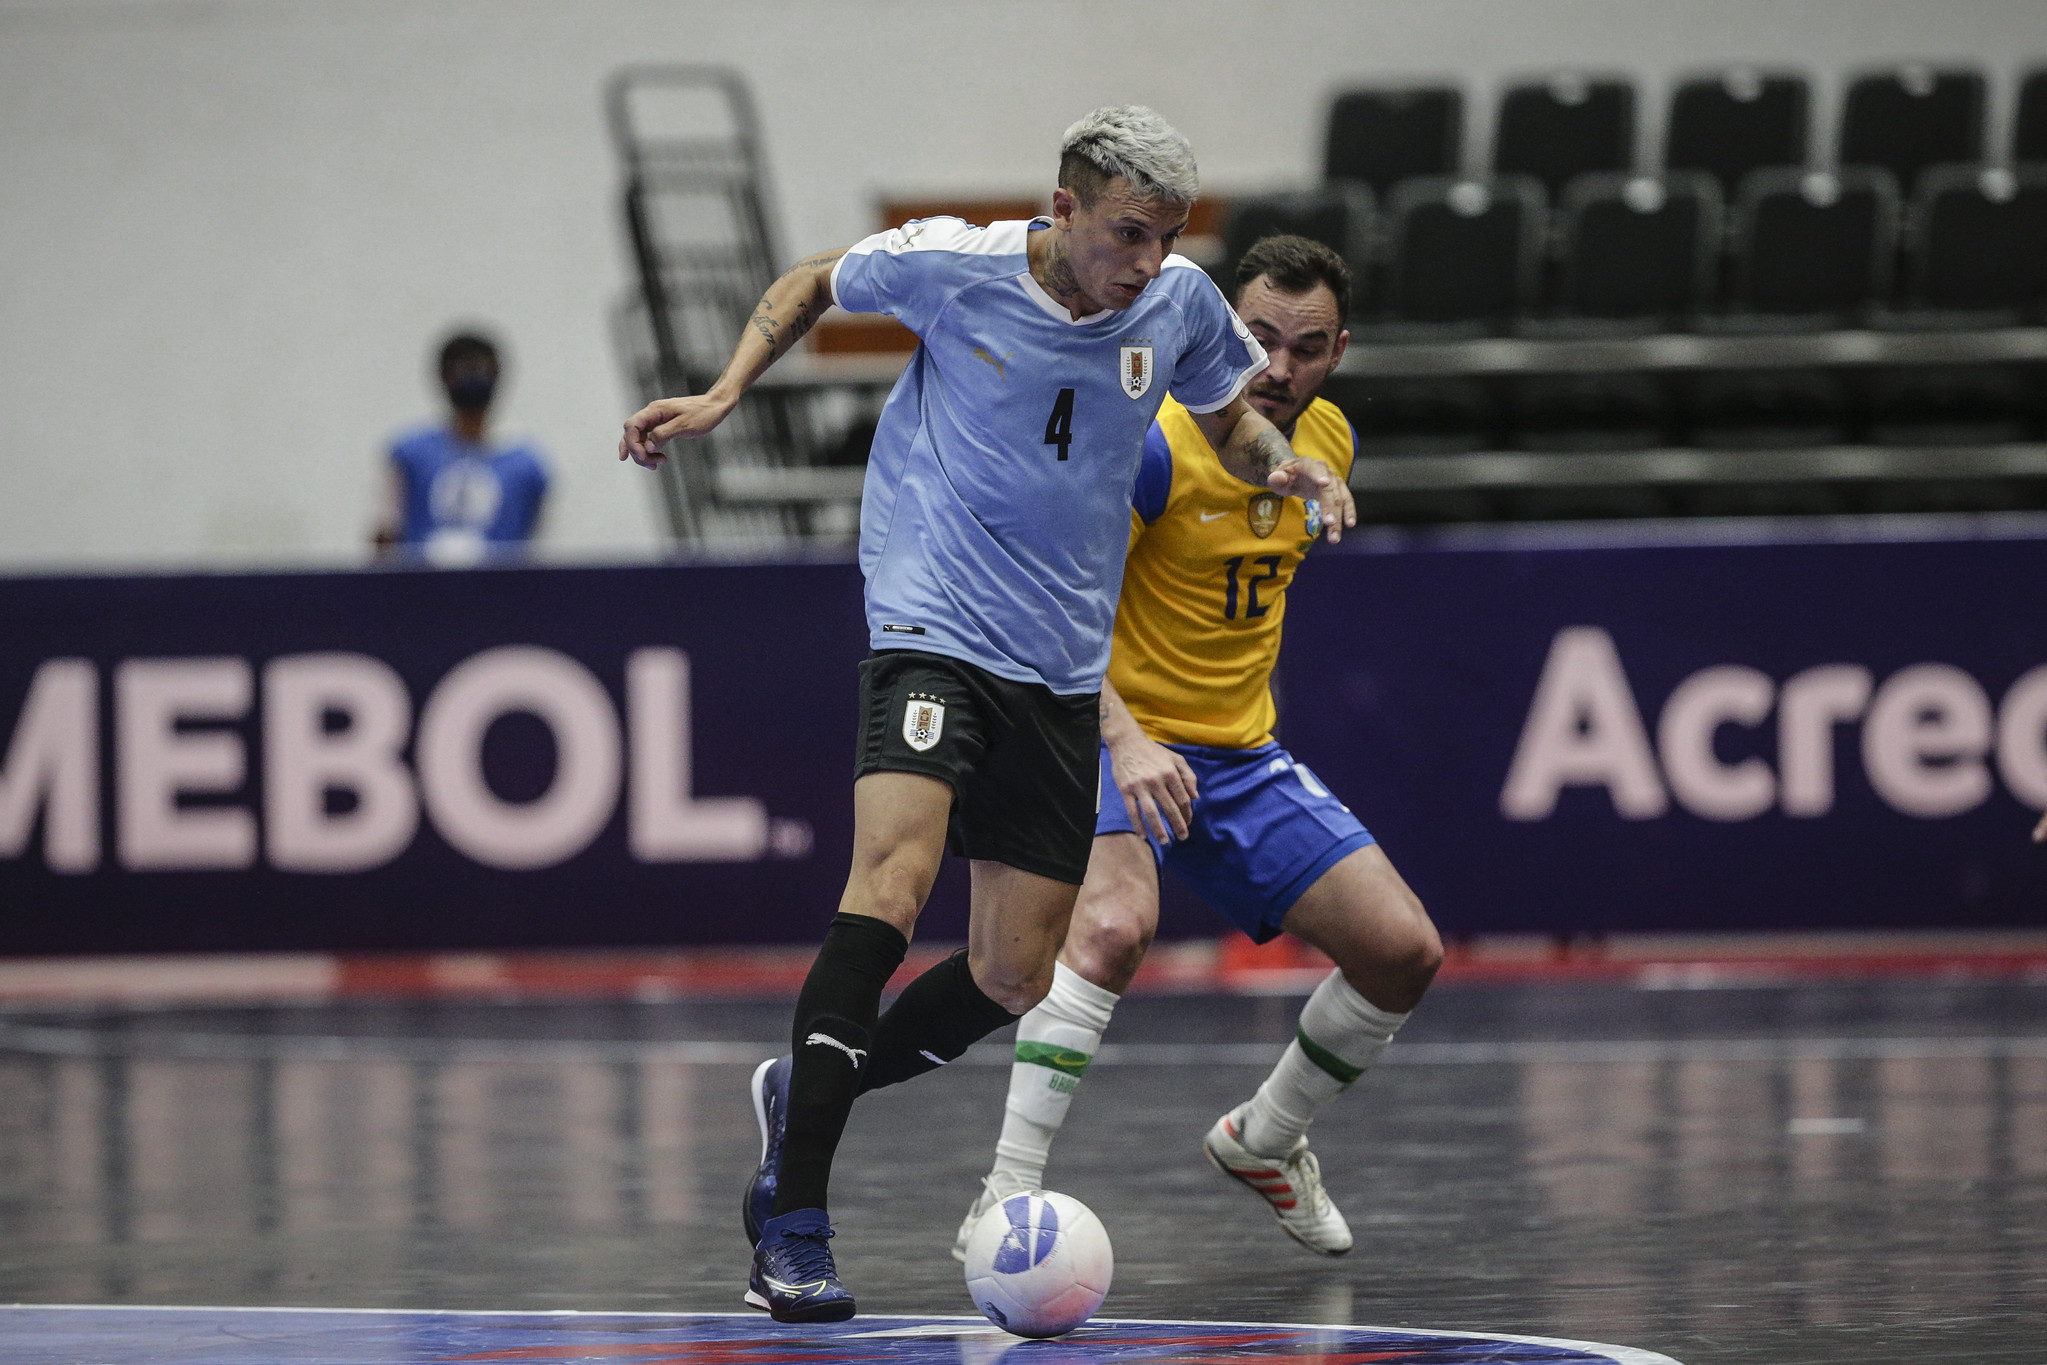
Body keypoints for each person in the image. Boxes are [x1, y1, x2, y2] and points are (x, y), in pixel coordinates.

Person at [619, 107, 1355, 1323]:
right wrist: (724, 392)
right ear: (1062, 210)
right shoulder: (952, 268)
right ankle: (793, 1223)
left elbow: (1230, 410)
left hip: (1060, 673)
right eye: (1125, 233)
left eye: (1165, 237)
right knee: (890, 884)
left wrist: (1280, 459)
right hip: (931, 632)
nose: (1143, 259)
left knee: (1015, 973)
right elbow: (812, 280)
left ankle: (804, 1094)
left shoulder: (1172, 304)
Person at [953, 235, 1443, 1260]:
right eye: (1256, 338)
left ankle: (1267, 1137)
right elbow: (1049, 610)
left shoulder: (1331, 447)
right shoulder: (1153, 445)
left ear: (1337, 352)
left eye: (1305, 348)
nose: (1276, 367)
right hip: (1102, 729)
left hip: (1234, 756)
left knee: (1403, 953)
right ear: (1221, 329)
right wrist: (1127, 741)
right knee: (1115, 927)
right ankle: (999, 1200)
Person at [376, 332, 549, 565]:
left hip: (499, 594)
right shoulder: (410, 453)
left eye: (479, 369)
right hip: (421, 592)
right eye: (463, 370)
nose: (472, 378)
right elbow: (386, 533)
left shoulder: (526, 464)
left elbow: (532, 545)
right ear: (444, 377)